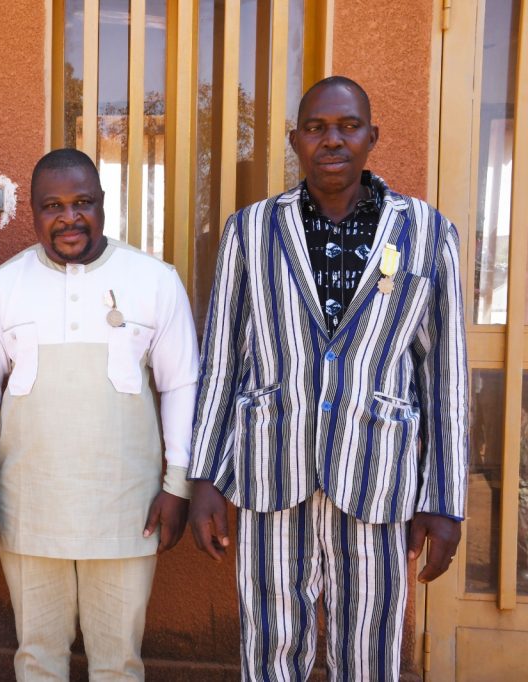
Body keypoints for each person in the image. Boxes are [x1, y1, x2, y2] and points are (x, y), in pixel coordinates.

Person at [187, 76, 468, 681]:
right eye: (316, 128)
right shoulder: (251, 231)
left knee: (368, 654)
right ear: (296, 141)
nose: (331, 140)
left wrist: (444, 501)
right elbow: (221, 361)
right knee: (270, 651)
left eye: (347, 126)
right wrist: (205, 475)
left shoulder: (426, 233)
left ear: (372, 137)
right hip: (272, 476)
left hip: (376, 481)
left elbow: (445, 377)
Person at [0, 149, 200, 681]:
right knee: (37, 658)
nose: (69, 218)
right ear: (33, 212)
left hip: (128, 510)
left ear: (103, 204)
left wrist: (177, 485)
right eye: (53, 206)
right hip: (30, 508)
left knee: (120, 664)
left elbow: (181, 386)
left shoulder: (154, 280)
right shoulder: (2, 286)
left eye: (83, 202)